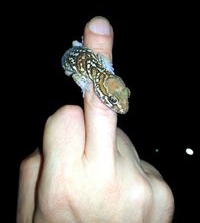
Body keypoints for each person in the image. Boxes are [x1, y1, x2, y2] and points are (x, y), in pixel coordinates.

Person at [17, 16, 174, 222]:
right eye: (111, 100)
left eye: (123, 96)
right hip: (70, 63)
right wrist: (85, 86)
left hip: (81, 53)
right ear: (101, 89)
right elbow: (76, 74)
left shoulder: (102, 70)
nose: (121, 107)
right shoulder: (92, 76)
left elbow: (101, 66)